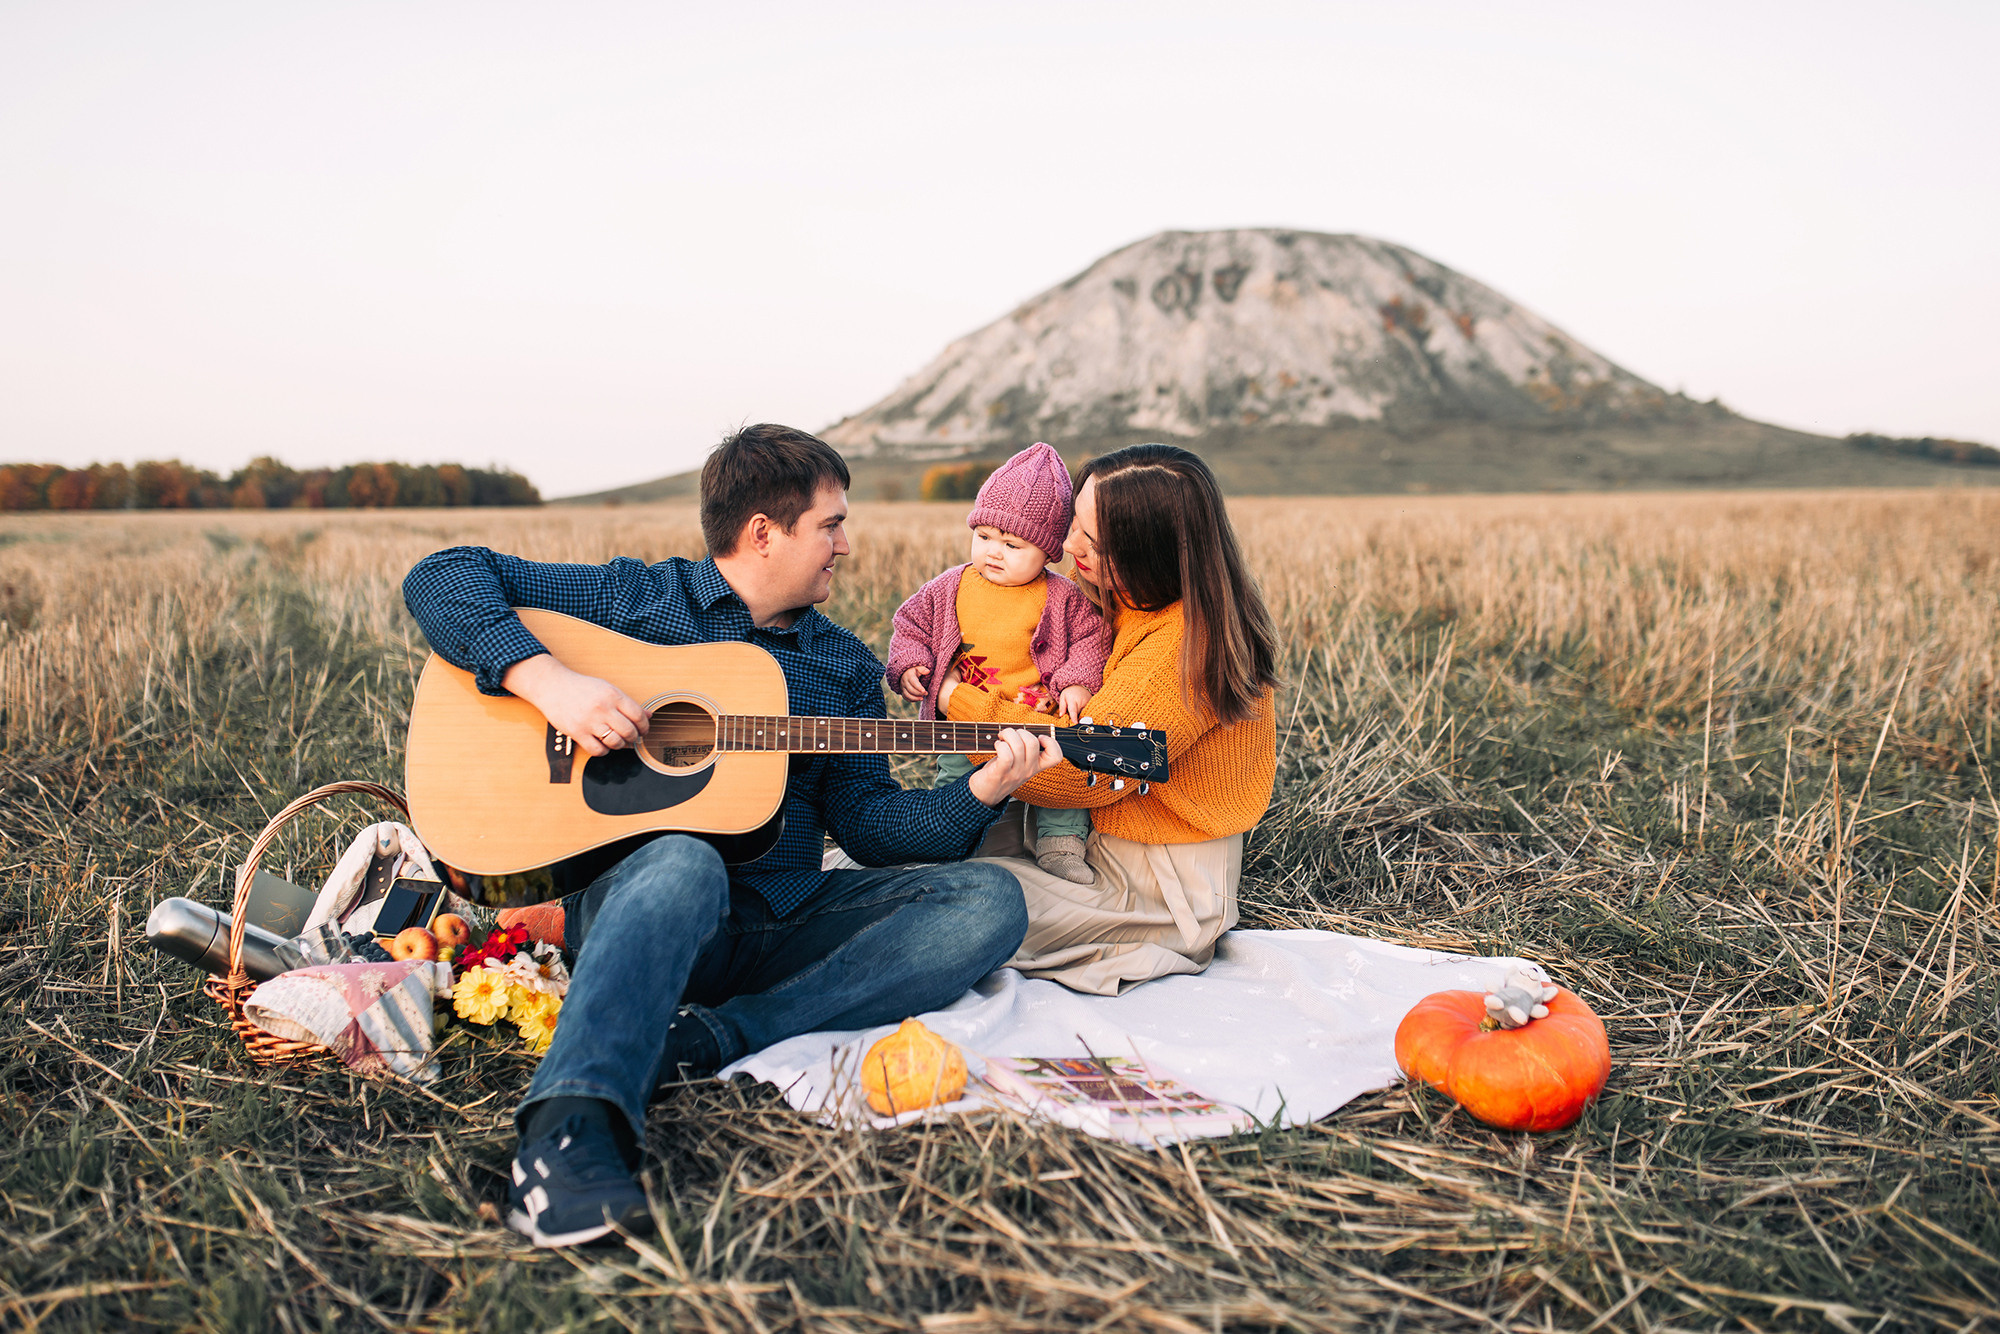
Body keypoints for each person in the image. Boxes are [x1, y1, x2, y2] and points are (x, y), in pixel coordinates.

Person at [402, 424, 1059, 1248]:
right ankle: (566, 1137)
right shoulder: (642, 603)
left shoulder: (843, 668)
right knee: (682, 859)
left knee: (987, 901)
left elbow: (872, 827)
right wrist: (554, 684)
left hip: (781, 919)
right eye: (831, 525)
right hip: (655, 911)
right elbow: (444, 575)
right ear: (764, 534)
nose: (846, 546)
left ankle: (715, 1037)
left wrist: (982, 790)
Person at [936, 443, 1281, 996]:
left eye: (1091, 540)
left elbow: (1075, 773)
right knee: (892, 867)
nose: (1067, 545)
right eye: (1073, 520)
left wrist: (958, 699)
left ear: (1151, 553)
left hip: (1155, 885)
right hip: (1094, 834)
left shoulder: (1182, 648)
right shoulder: (1133, 600)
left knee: (935, 906)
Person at [885, 442, 1111, 885]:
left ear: (1048, 552)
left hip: (1035, 717)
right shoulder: (951, 586)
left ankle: (1060, 847)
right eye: (984, 536)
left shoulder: (1061, 595)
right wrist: (910, 663)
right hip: (963, 721)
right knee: (957, 778)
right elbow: (911, 623)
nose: (993, 552)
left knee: (1061, 778)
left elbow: (1091, 639)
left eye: (1013, 544)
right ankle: (953, 844)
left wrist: (1075, 684)